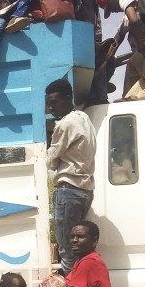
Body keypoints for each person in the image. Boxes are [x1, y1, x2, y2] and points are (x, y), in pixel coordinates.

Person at [45, 78, 95, 275]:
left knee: (67, 252)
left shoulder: (64, 124)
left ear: (68, 98)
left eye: (54, 103)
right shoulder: (84, 118)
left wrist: (54, 161)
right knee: (80, 251)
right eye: (49, 104)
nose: (50, 109)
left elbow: (50, 160)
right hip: (85, 191)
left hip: (68, 191)